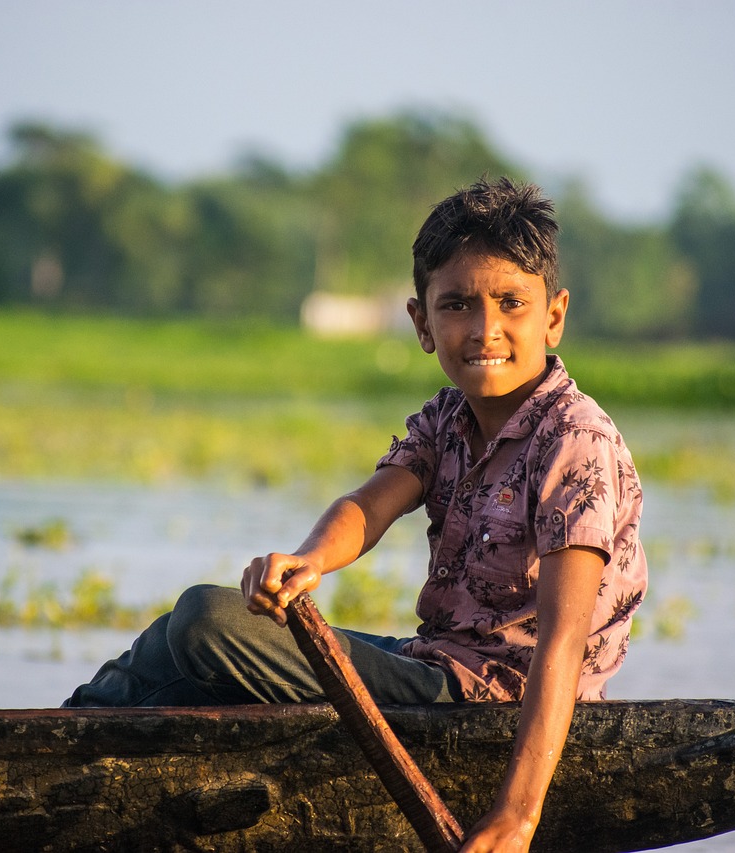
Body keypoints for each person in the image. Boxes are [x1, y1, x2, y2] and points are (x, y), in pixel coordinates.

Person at [64, 176, 647, 853]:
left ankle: (57, 738)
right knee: (183, 647)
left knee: (203, 622)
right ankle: (65, 732)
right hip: (436, 664)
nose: (486, 328)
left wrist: (517, 816)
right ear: (423, 324)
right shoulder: (446, 419)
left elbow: (561, 644)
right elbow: (370, 505)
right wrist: (309, 561)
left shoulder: (576, 439)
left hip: (486, 703)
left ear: (553, 316)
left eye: (511, 303)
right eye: (458, 305)